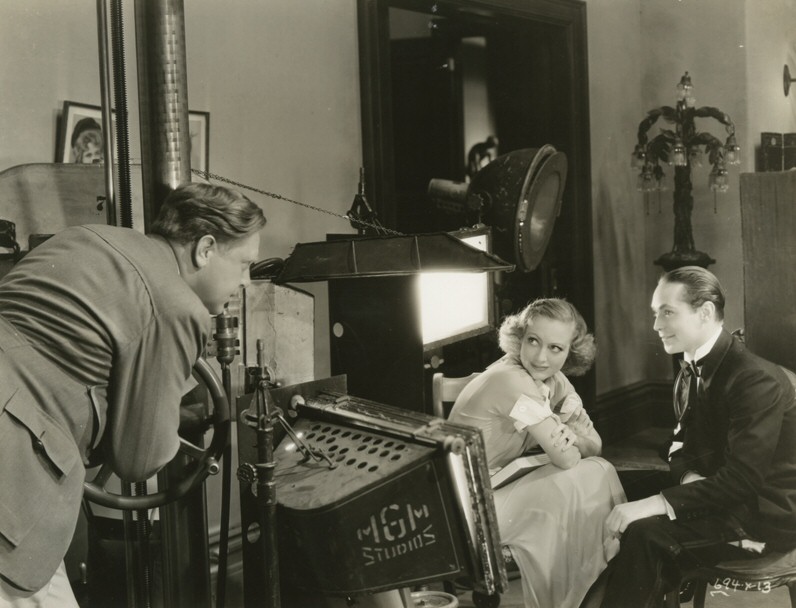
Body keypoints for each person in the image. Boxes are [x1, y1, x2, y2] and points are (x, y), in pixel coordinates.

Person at [0, 182, 266, 606]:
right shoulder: (177, 306)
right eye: (244, 265)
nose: (245, 282)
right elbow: (139, 459)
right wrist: (168, 417)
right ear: (206, 248)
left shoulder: (89, 236)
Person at [599, 266, 796, 608]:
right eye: (655, 313)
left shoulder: (753, 379)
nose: (656, 325)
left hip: (763, 515)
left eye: (667, 312)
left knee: (646, 533)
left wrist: (657, 503)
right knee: (603, 488)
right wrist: (688, 478)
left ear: (704, 312)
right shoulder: (689, 369)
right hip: (720, 494)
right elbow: (676, 450)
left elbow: (743, 480)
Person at [449, 298, 626, 608]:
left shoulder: (552, 380)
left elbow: (595, 444)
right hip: (471, 506)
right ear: (520, 338)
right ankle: (590, 592)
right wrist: (573, 436)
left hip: (502, 486)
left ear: (572, 351)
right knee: (581, 479)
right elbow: (567, 457)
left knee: (598, 470)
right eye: (533, 341)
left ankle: (598, 589)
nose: (541, 357)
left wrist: (571, 436)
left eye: (555, 348)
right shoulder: (511, 379)